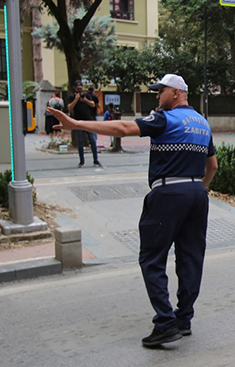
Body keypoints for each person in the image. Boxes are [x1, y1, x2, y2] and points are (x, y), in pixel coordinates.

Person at [49, 73, 218, 348]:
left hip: (167, 194)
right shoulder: (202, 124)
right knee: (191, 257)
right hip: (197, 194)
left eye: (160, 91)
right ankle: (184, 319)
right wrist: (198, 190)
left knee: (152, 258)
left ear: (175, 92)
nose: (157, 96)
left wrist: (75, 123)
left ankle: (165, 323)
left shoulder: (165, 118)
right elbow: (213, 167)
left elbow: (124, 129)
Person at [67, 80, 101, 168]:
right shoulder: (72, 97)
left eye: (80, 89)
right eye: (78, 89)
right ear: (74, 88)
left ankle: (96, 160)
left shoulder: (87, 95)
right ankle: (81, 161)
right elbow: (69, 108)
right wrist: (76, 99)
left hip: (88, 121)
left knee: (92, 141)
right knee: (80, 142)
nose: (79, 91)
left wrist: (85, 100)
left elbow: (93, 104)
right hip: (78, 122)